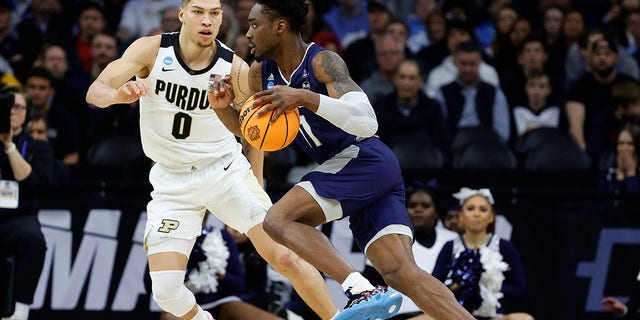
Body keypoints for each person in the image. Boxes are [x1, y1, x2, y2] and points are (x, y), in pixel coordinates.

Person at [208, 1, 476, 320]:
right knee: (401, 274)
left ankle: (358, 287)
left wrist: (306, 97)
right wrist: (223, 108)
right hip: (358, 172)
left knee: (278, 220)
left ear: (279, 26)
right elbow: (254, 134)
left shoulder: (323, 61)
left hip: (365, 159)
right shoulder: (259, 73)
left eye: (254, 25)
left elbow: (367, 121)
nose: (248, 34)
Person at [84, 0, 339, 319]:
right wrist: (117, 96)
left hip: (224, 171)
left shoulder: (234, 68)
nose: (207, 20)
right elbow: (96, 90)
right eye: (198, 12)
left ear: (222, 19)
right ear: (182, 15)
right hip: (171, 179)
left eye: (214, 13)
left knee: (284, 256)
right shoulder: (150, 50)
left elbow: (253, 131)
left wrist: (256, 181)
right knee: (166, 293)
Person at [362, 181, 459, 320]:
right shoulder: (386, 240)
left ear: (436, 211)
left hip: (441, 313)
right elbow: (372, 289)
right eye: (412, 206)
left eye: (425, 206)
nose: (418, 210)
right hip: (395, 315)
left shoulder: (453, 240)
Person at [432, 188, 533, 320]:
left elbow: (520, 290)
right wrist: (458, 286)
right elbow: (433, 286)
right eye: (470, 209)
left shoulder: (504, 246)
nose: (476, 214)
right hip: (455, 316)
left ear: (491, 217)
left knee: (524, 318)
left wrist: (484, 287)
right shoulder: (450, 247)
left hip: (492, 316)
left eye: (483, 209)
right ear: (461, 215)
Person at [0, 86, 53, 320]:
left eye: (18, 106)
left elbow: (33, 183)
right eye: (7, 107)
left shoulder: (36, 146)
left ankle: (20, 311)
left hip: (20, 217)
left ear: (27, 113)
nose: (12, 112)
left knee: (34, 240)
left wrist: (9, 145)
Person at [598, 122, 640, 192]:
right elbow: (609, 200)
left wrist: (631, 173)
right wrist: (620, 174)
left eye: (630, 144)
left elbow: (634, 201)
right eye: (621, 143)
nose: (624, 148)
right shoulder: (607, 174)